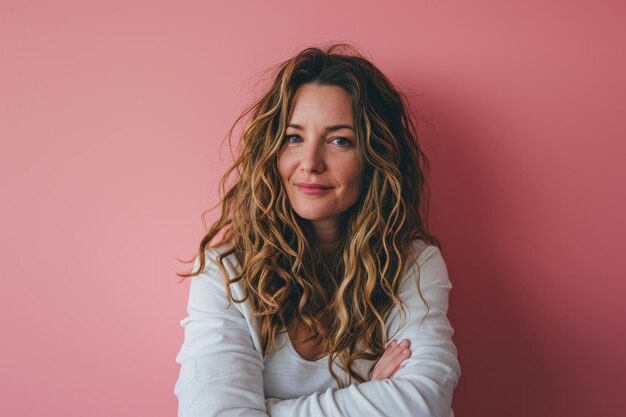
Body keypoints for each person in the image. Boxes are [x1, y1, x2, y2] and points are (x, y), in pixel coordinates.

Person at [174, 44, 461, 417]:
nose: (310, 163)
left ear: (373, 157)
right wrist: (372, 394)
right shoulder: (225, 272)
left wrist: (266, 409)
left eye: (339, 140)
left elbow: (424, 402)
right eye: (294, 138)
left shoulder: (414, 264)